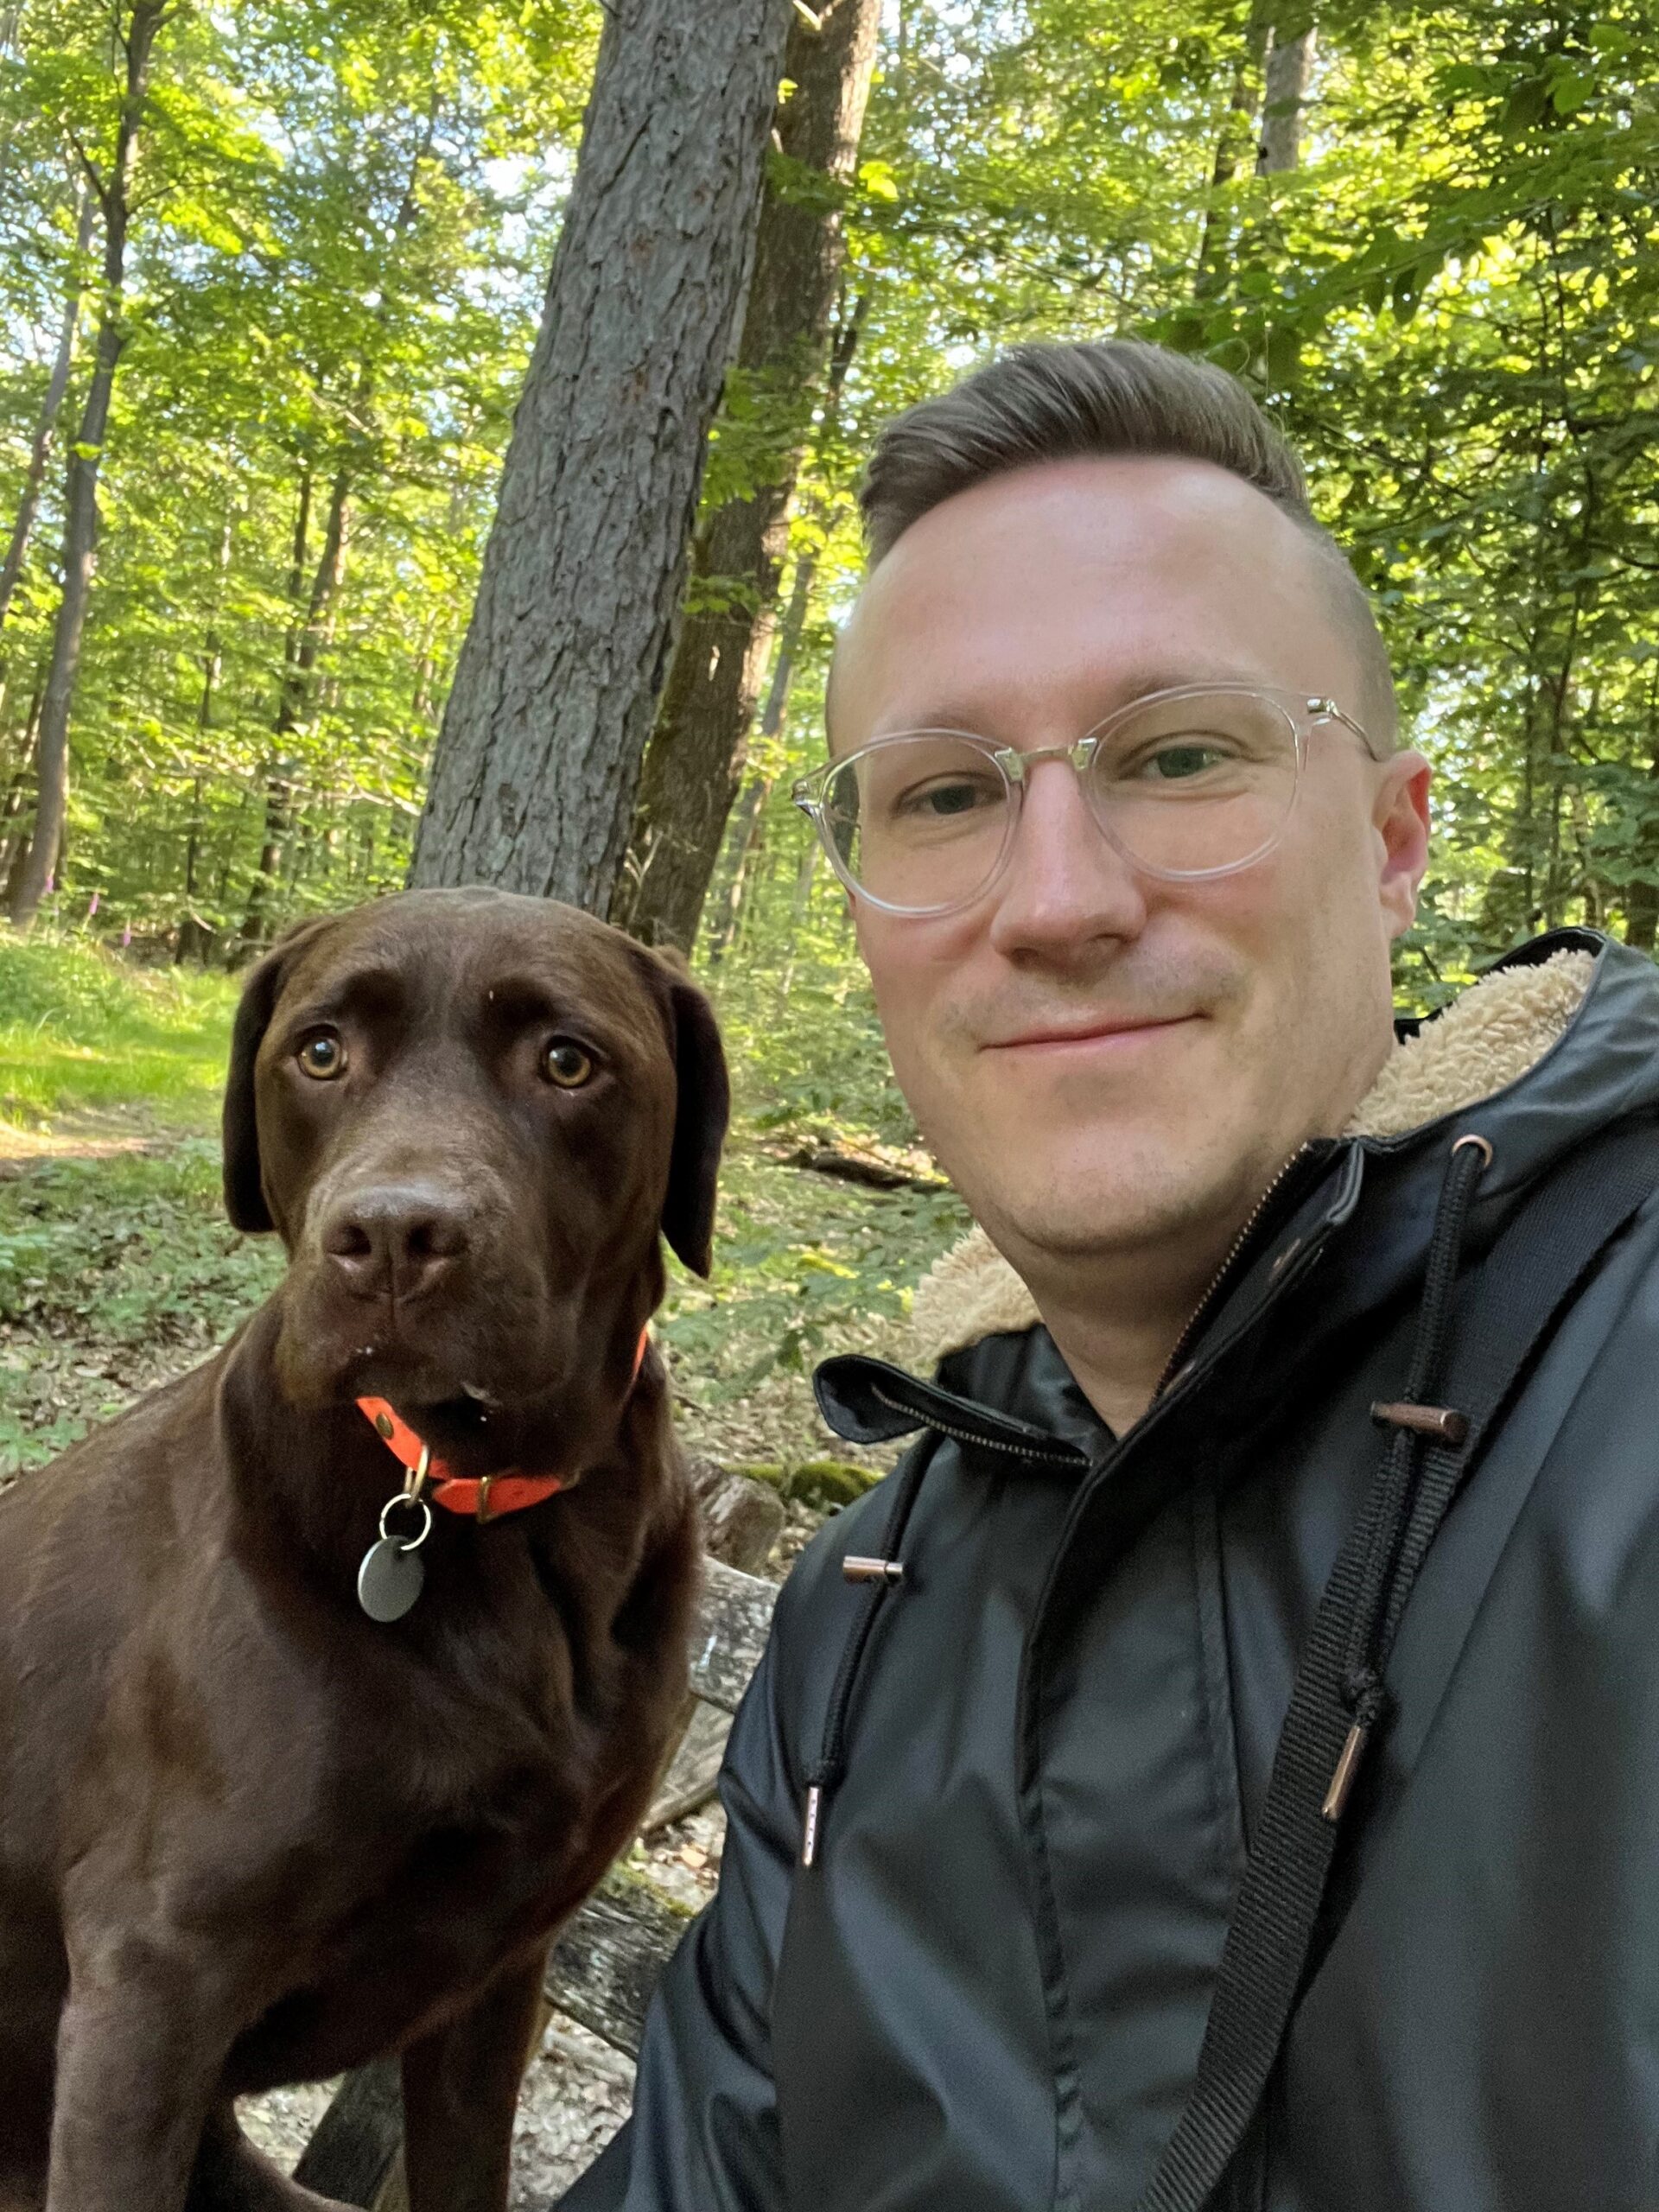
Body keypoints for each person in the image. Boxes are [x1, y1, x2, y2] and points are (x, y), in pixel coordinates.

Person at [562, 340, 1659, 2211]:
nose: (1056, 896)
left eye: (1176, 755)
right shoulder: (866, 1614)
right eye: (944, 794)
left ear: (1394, 843)